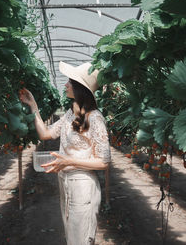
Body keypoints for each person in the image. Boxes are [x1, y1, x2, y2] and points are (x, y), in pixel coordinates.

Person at [19, 61, 111, 245]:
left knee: (81, 238)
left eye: (70, 82)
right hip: (65, 180)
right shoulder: (70, 115)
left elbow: (104, 162)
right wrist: (33, 106)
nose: (66, 85)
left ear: (79, 89)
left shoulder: (95, 118)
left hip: (83, 184)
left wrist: (69, 161)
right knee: (72, 236)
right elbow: (45, 134)